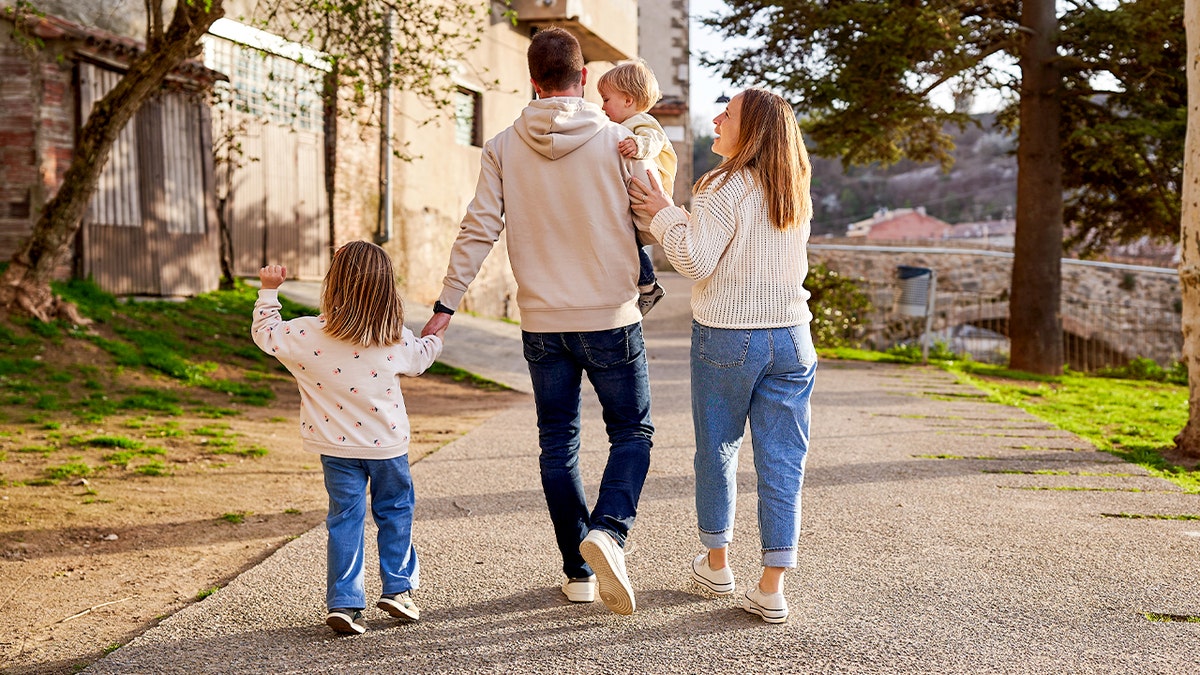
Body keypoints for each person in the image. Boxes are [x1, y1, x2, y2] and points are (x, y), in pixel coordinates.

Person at [421, 26, 658, 616]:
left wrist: (446, 305)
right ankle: (608, 531)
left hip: (542, 323)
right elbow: (654, 222)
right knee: (632, 434)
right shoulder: (618, 140)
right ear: (583, 79)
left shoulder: (502, 144)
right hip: (610, 317)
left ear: (532, 82)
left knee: (559, 443)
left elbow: (478, 227)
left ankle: (578, 573)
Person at [628, 88, 817, 624]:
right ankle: (772, 586)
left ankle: (717, 564)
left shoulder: (719, 184)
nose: (716, 118)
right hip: (793, 340)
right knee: (783, 461)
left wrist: (666, 214)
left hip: (729, 336)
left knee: (718, 450)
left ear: (751, 130)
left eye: (727, 113)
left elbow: (693, 259)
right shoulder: (794, 187)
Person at [252, 241, 445, 635]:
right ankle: (398, 590)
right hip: (388, 448)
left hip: (335, 449)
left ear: (332, 285)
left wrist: (269, 290)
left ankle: (345, 602)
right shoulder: (393, 337)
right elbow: (422, 358)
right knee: (394, 512)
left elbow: (266, 334)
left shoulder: (307, 334)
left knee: (345, 518)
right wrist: (436, 334)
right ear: (388, 290)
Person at [597, 60, 677, 315]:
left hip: (648, 195)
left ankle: (648, 285)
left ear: (628, 100)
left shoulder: (643, 123)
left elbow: (654, 141)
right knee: (628, 241)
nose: (602, 106)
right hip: (636, 195)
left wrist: (638, 145)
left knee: (628, 240)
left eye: (606, 99)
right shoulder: (620, 127)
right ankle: (643, 285)